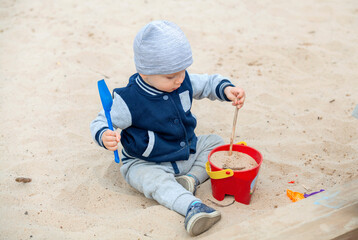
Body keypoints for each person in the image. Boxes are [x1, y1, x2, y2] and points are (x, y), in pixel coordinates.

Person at [90, 20, 245, 236]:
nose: (180, 79)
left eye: (182, 71)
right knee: (154, 182)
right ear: (145, 73)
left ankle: (190, 180)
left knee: (215, 143)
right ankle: (191, 207)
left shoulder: (182, 80)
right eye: (171, 76)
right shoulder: (129, 100)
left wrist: (227, 89)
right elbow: (101, 121)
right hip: (147, 161)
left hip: (185, 152)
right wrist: (104, 135)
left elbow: (208, 83)